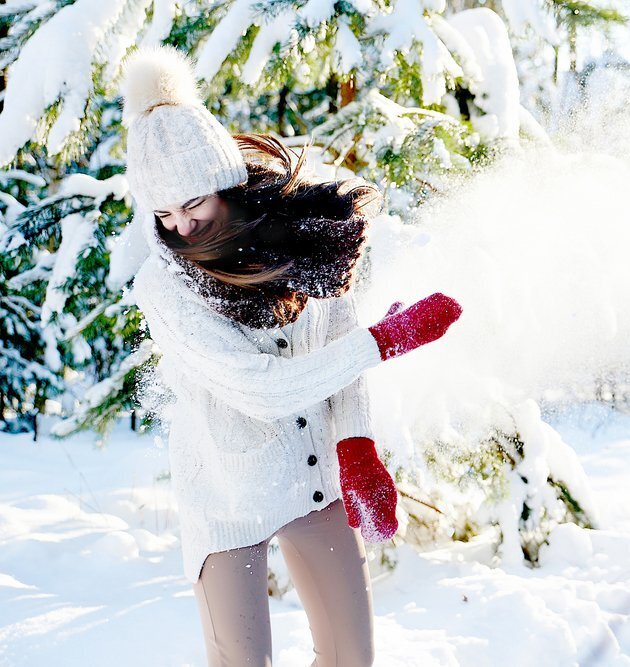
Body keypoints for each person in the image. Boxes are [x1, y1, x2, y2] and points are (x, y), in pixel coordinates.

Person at [120, 45, 462, 667]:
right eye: (165, 216)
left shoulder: (303, 239)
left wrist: (355, 444)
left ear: (225, 182)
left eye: (194, 205)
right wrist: (387, 340)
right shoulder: (165, 285)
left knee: (350, 657)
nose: (183, 228)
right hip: (225, 497)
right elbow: (264, 388)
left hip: (308, 483)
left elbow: (336, 345)